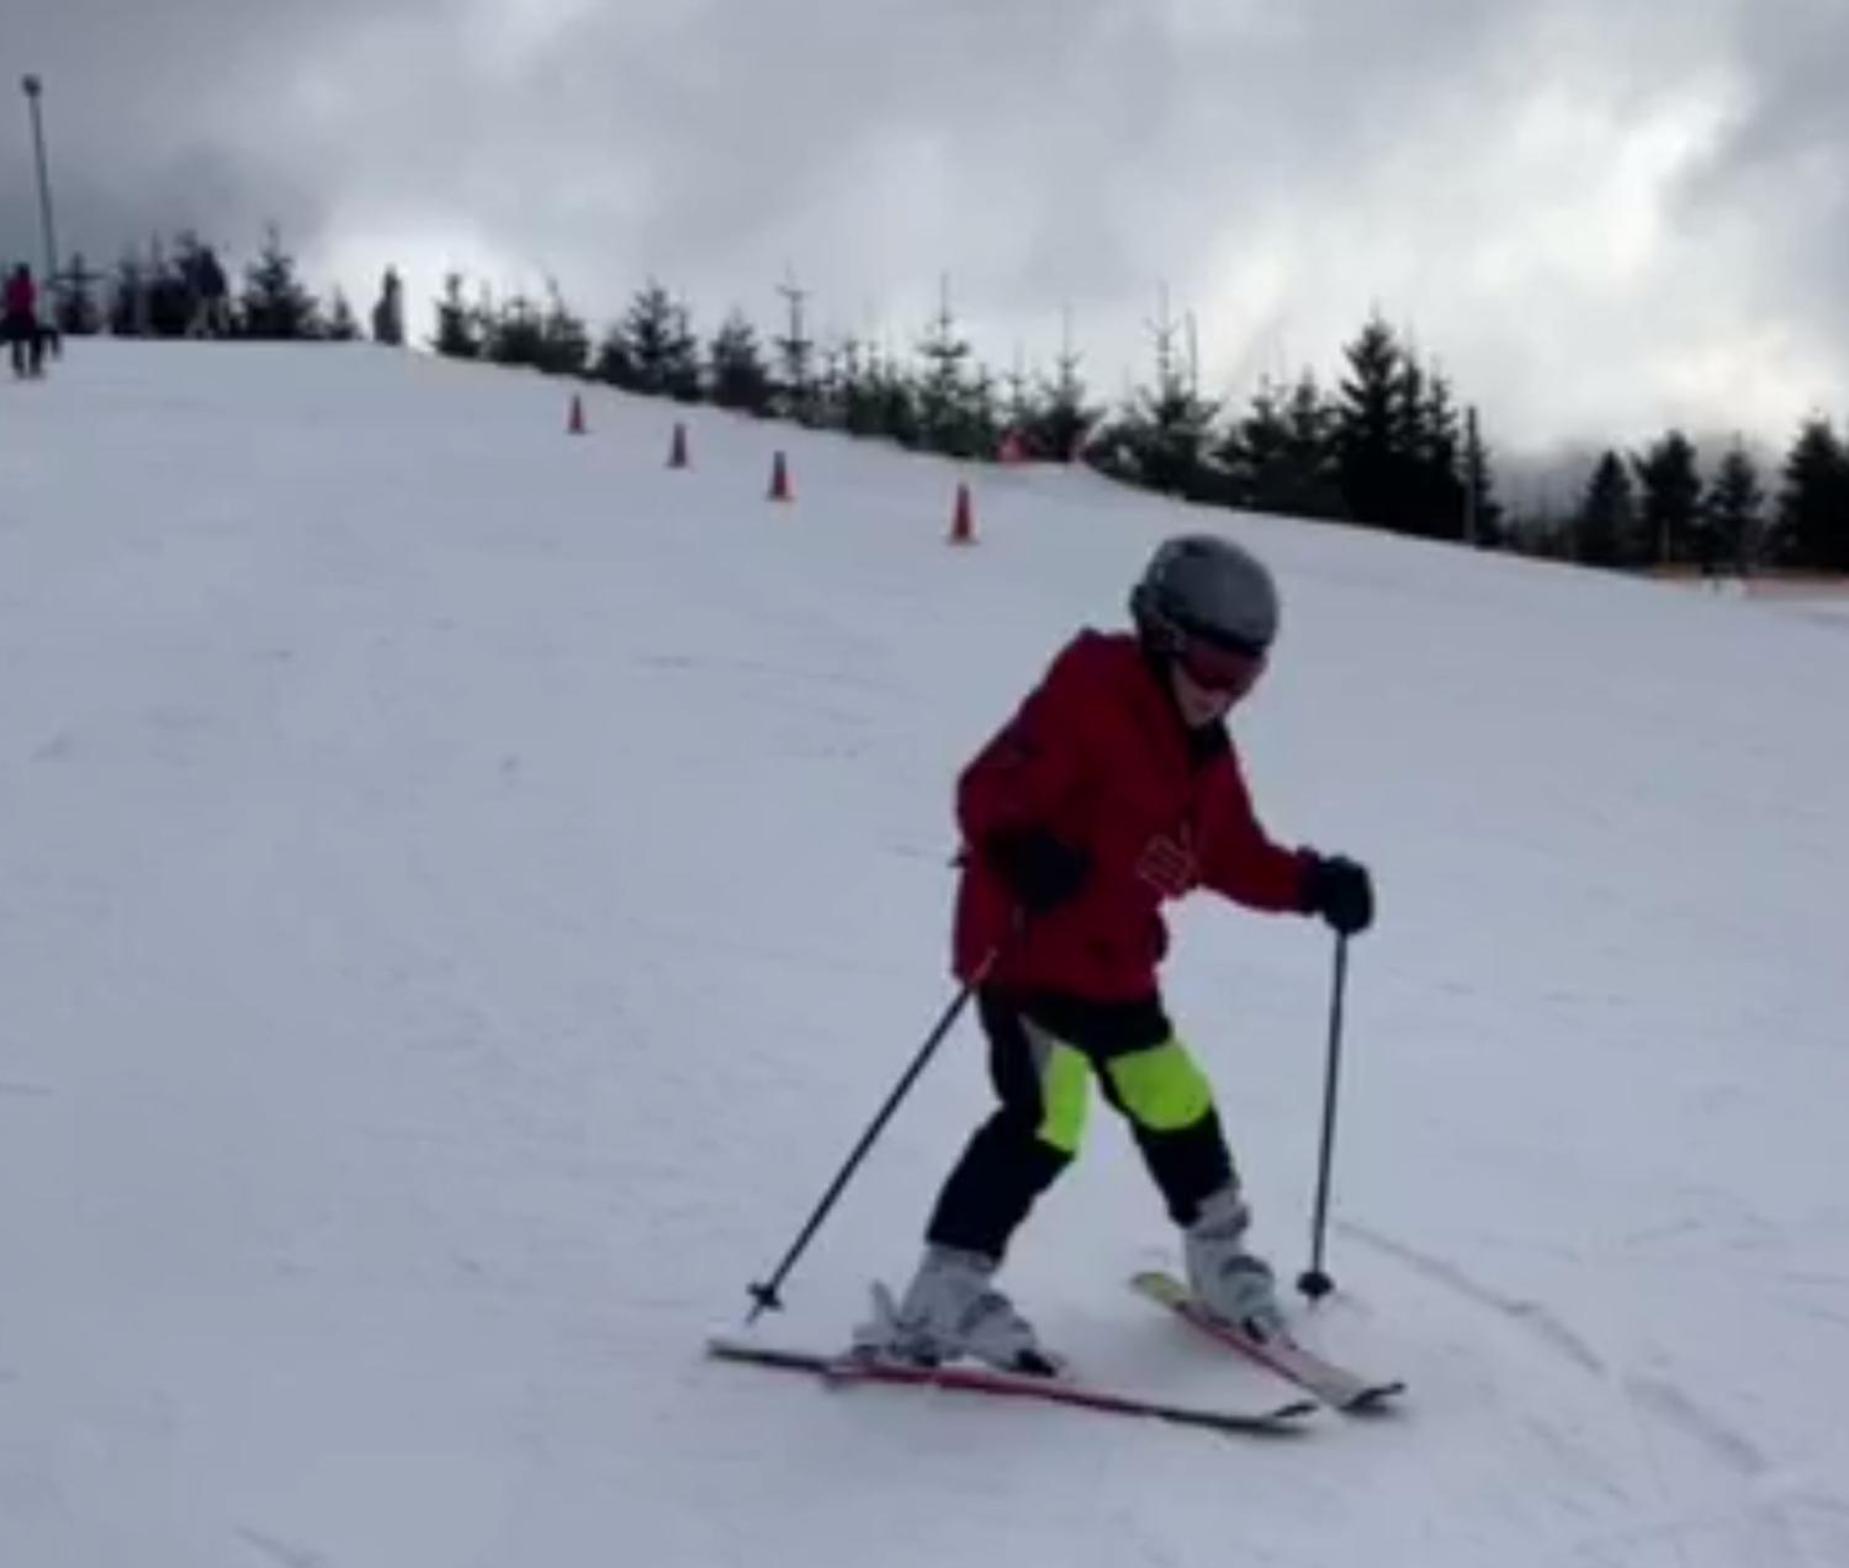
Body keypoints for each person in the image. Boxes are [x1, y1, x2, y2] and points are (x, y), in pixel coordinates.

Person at [858, 534, 1375, 1373]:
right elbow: (986, 787)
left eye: (1243, 677)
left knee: (1176, 1100)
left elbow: (1232, 854)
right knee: (1043, 1125)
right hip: (1026, 953)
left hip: (1113, 963)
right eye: (1210, 667)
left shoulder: (1204, 755)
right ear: (1163, 635)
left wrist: (1315, 884)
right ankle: (940, 1299)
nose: (1222, 694)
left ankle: (1217, 1262)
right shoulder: (1090, 692)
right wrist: (1021, 844)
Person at [4, 264, 41, 377]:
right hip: (26, 316)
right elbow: (32, 298)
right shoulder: (29, 285)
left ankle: (19, 365)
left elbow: (7, 299)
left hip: (14, 315)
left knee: (17, 341)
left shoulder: (13, 285)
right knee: (34, 340)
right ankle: (34, 364)